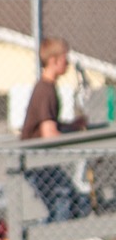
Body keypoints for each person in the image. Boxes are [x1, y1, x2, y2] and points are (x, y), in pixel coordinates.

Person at [20, 36, 92, 223]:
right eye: (64, 59)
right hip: (36, 161)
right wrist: (76, 146)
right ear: (53, 61)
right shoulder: (45, 90)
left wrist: (73, 126)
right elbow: (49, 133)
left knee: (68, 201)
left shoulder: (49, 88)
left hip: (41, 160)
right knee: (61, 200)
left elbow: (52, 125)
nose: (67, 63)